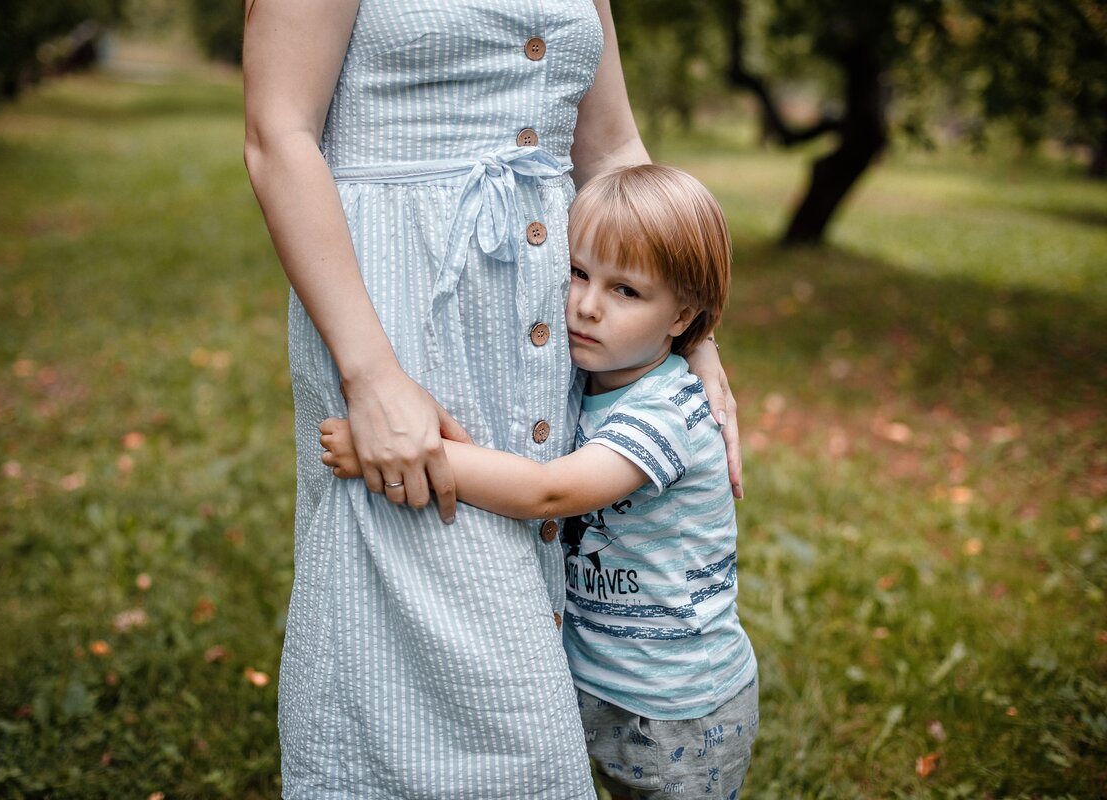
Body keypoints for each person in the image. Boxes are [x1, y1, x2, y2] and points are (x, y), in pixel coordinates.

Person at [243, 1, 743, 797]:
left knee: (521, 663)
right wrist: (372, 375)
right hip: (403, 331)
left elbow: (612, 146)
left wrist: (693, 338)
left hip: (550, 350)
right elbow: (278, 134)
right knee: (437, 687)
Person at [321, 164, 758, 800]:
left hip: (675, 708)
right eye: (578, 273)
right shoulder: (588, 383)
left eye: (626, 292)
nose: (585, 304)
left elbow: (546, 492)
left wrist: (395, 449)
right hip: (598, 679)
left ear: (683, 315)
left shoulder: (665, 411)